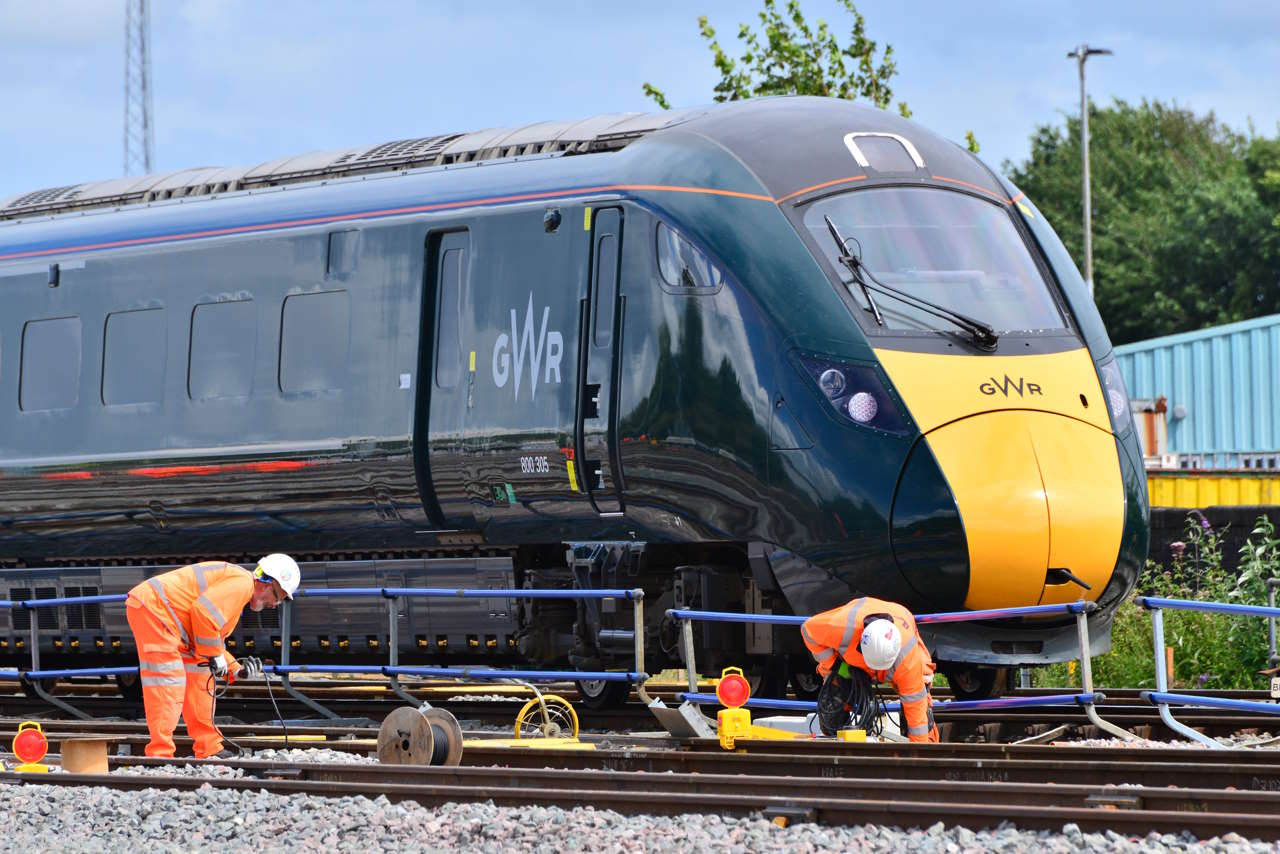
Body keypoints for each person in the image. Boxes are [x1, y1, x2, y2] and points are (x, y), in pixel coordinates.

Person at [125, 554, 300, 758]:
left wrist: (237, 670)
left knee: (201, 680)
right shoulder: (243, 583)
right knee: (168, 683)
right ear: (266, 584)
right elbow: (204, 614)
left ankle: (209, 748)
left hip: (171, 619)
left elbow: (211, 638)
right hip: (156, 611)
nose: (274, 605)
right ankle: (159, 754)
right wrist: (214, 655)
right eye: (278, 597)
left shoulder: (239, 591)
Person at [801, 595, 939, 743]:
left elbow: (915, 711)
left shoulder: (907, 659)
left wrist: (919, 754)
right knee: (833, 706)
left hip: (899, 627)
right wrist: (835, 665)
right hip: (849, 663)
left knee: (921, 710)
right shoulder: (841, 626)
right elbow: (808, 631)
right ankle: (836, 749)